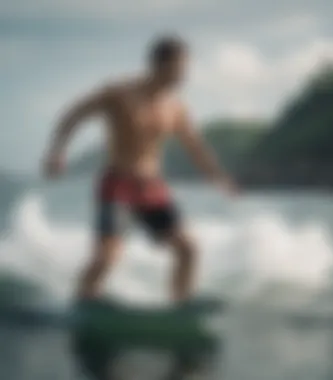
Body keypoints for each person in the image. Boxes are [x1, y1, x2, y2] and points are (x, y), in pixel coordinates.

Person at [42, 35, 238, 303]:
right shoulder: (119, 93)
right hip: (118, 186)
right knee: (106, 258)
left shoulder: (175, 107)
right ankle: (83, 301)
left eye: (185, 69)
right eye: (178, 68)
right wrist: (57, 151)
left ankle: (180, 304)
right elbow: (74, 114)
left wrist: (219, 178)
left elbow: (196, 147)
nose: (183, 76)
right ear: (158, 65)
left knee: (188, 249)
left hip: (153, 189)